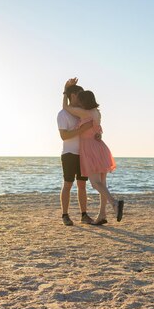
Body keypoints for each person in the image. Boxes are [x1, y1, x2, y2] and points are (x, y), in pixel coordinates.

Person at [62, 78, 124, 225]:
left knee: (96, 183)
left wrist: (65, 90)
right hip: (100, 146)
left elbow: (66, 107)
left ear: (85, 102)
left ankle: (114, 203)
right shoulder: (96, 112)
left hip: (89, 148)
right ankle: (102, 215)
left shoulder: (85, 113)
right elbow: (97, 129)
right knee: (102, 183)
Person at [58, 82, 95, 226]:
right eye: (79, 95)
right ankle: (65, 215)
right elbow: (64, 136)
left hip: (83, 153)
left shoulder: (80, 111)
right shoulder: (63, 114)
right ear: (73, 96)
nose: (81, 98)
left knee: (82, 185)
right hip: (69, 153)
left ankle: (84, 215)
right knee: (68, 184)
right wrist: (82, 129)